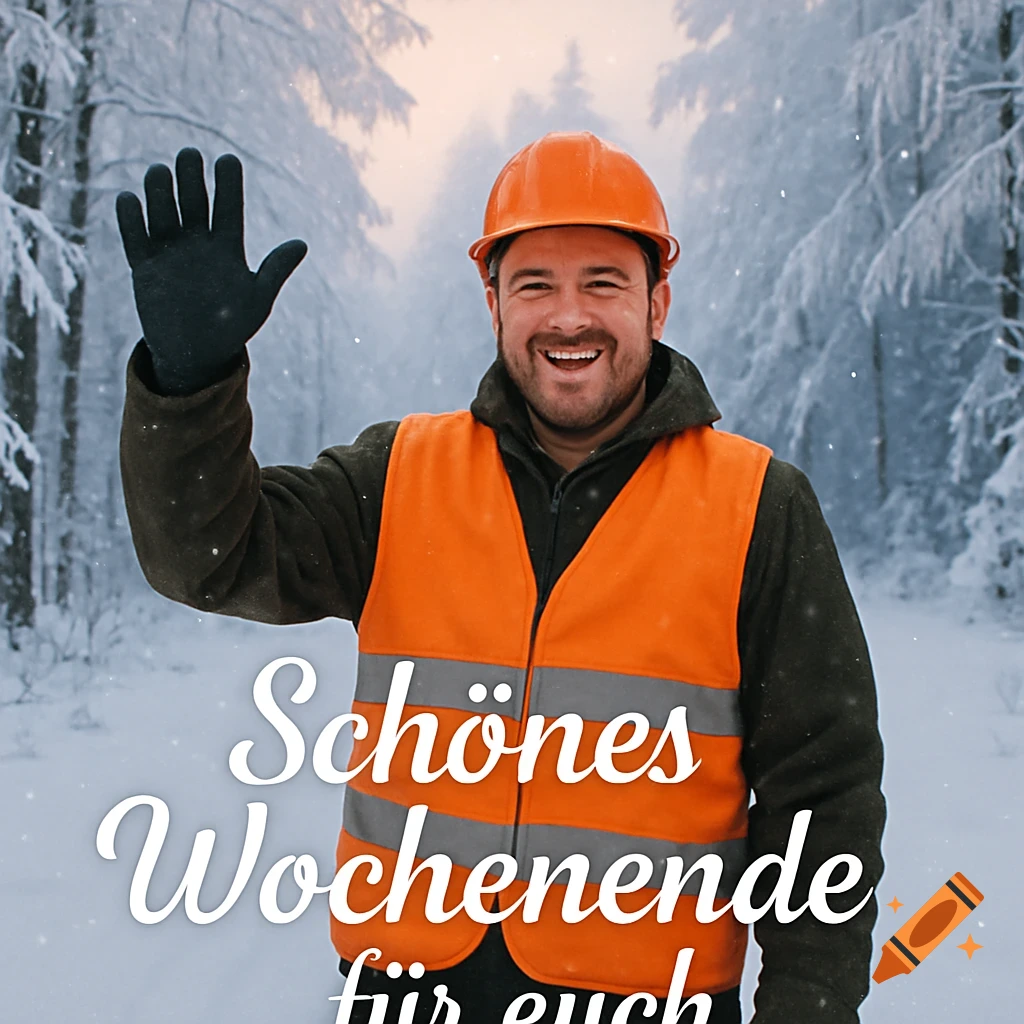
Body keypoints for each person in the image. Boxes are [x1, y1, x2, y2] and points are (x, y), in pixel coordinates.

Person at [116, 133, 886, 1023]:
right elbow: (205, 557)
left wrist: (809, 1005)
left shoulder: (759, 504)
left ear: (657, 302)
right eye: (535, 285)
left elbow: (823, 792)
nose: (569, 317)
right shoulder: (397, 476)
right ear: (492, 302)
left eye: (603, 282)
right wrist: (191, 382)